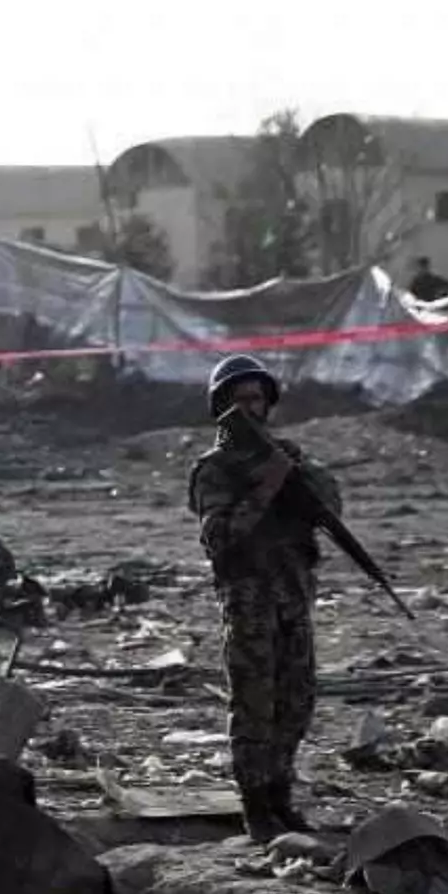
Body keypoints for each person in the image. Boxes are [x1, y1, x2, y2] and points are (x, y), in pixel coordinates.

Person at [190, 354, 344, 843]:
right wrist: (266, 485)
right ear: (222, 408)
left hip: (293, 596)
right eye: (239, 401)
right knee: (255, 704)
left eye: (257, 399)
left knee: (296, 702)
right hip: (250, 600)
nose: (251, 408)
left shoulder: (288, 454)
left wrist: (300, 475)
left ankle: (281, 797)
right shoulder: (215, 469)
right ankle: (256, 807)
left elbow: (329, 510)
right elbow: (221, 538)